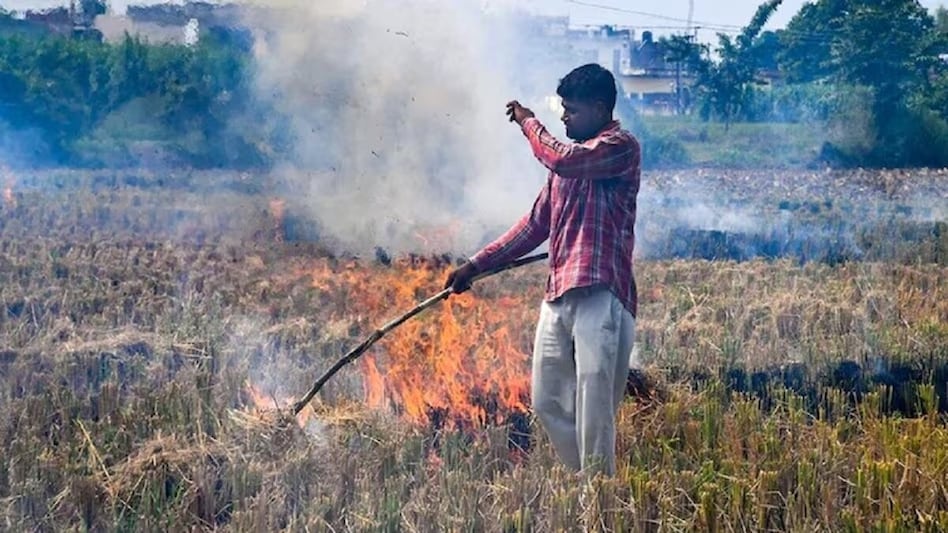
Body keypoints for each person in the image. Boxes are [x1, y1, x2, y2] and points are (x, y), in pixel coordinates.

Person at [444, 63, 641, 476]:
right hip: (558, 295)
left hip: (601, 294)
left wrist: (528, 122)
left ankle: (596, 496)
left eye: (572, 110)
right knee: (546, 400)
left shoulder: (619, 147)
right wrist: (475, 265)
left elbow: (562, 158)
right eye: (562, 109)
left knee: (594, 404)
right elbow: (533, 227)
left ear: (600, 108)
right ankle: (587, 480)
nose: (564, 117)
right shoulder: (563, 170)